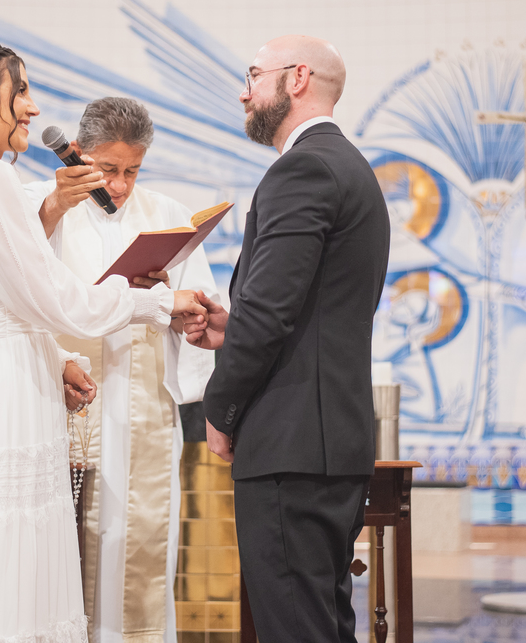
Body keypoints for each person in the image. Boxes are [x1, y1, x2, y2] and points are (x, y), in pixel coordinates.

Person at [0, 39, 206, 643]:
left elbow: (9, 295)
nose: (34, 109)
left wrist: (55, 355)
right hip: (2, 393)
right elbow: (56, 300)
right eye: (22, 93)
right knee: (10, 570)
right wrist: (160, 302)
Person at [183, 36, 391, 643]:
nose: (244, 91)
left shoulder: (301, 168)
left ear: (296, 78)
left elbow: (271, 313)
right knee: (322, 625)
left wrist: (220, 410)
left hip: (290, 447)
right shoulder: (348, 166)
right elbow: (311, 310)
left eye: (254, 75)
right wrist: (231, 329)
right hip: (330, 442)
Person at [24, 97, 220, 643]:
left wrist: (173, 301)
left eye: (132, 171)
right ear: (79, 155)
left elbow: (198, 306)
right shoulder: (42, 206)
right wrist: (54, 210)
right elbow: (21, 294)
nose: (121, 185)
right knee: (62, 546)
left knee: (134, 541)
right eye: (108, 170)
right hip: (69, 401)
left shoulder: (165, 214)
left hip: (141, 412)